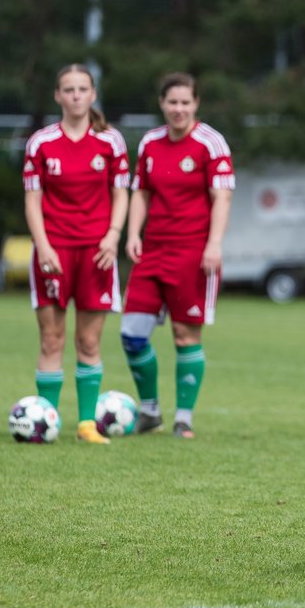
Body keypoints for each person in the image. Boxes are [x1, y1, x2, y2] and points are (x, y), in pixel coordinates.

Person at [121, 72, 234, 439]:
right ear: (162, 104)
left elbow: (222, 197)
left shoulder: (211, 143)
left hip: (192, 253)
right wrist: (133, 233)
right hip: (152, 251)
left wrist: (214, 243)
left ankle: (183, 417)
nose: (179, 109)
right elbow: (141, 193)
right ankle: (150, 411)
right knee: (132, 335)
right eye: (172, 102)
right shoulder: (151, 143)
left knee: (185, 335)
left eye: (186, 102)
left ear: (196, 104)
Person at [23, 64, 130, 445]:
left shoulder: (111, 142)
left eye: (82, 89)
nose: (75, 96)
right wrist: (44, 246)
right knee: (51, 340)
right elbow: (32, 201)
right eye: (68, 89)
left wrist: (113, 236)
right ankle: (45, 422)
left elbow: (121, 193)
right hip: (52, 252)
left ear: (93, 94)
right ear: (57, 95)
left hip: (96, 253)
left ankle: (87, 424)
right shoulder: (40, 143)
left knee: (88, 342)